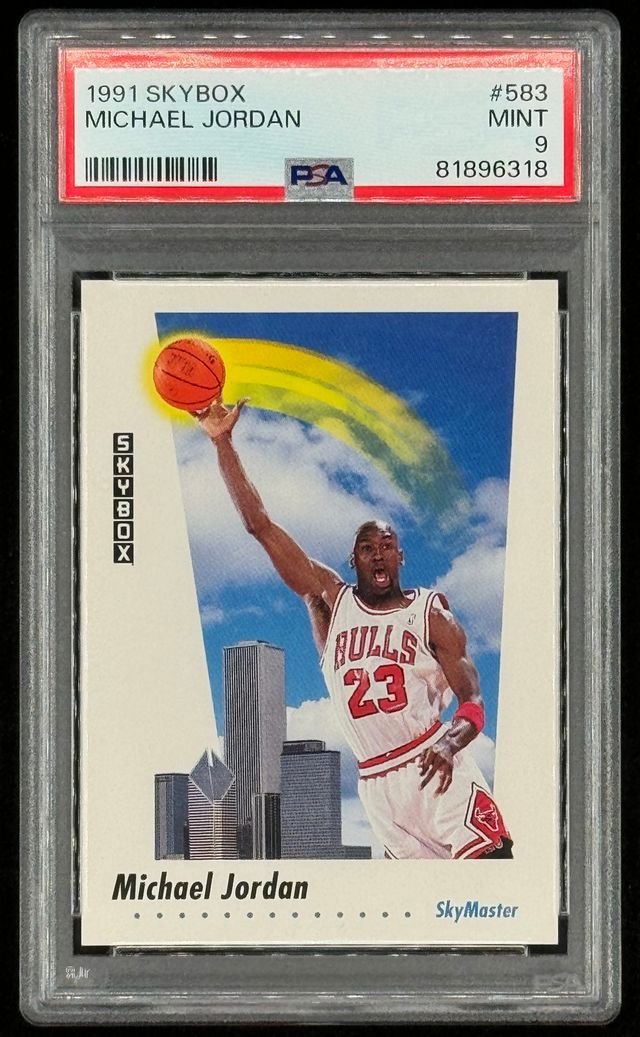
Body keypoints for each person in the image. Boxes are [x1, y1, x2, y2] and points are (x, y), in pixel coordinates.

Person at [195, 398, 513, 860]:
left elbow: (474, 701)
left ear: (400, 556)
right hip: (377, 784)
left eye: (387, 545)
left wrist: (450, 743)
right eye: (367, 547)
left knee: (494, 879)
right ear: (353, 559)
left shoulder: (430, 614)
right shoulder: (332, 603)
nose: (378, 553)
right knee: (418, 905)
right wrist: (223, 442)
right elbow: (259, 525)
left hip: (433, 761)